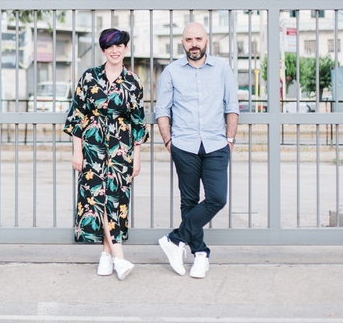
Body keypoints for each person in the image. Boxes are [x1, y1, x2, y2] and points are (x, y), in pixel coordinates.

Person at [154, 21, 238, 279]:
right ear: (183, 43)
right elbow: (162, 111)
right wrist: (169, 143)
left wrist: (230, 140)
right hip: (184, 145)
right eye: (189, 40)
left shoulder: (222, 68)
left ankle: (174, 239)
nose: (194, 44)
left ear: (206, 40)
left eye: (198, 39)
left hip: (216, 144)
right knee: (189, 202)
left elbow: (231, 107)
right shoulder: (171, 72)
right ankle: (200, 253)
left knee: (217, 198)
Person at [64, 28, 147, 279]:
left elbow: (138, 123)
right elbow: (78, 116)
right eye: (110, 46)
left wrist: (137, 157)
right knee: (95, 198)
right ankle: (119, 258)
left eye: (119, 45)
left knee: (116, 200)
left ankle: (106, 255)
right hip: (92, 145)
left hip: (121, 148)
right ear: (103, 49)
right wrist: (77, 152)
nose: (115, 50)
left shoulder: (134, 82)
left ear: (125, 49)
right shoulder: (89, 77)